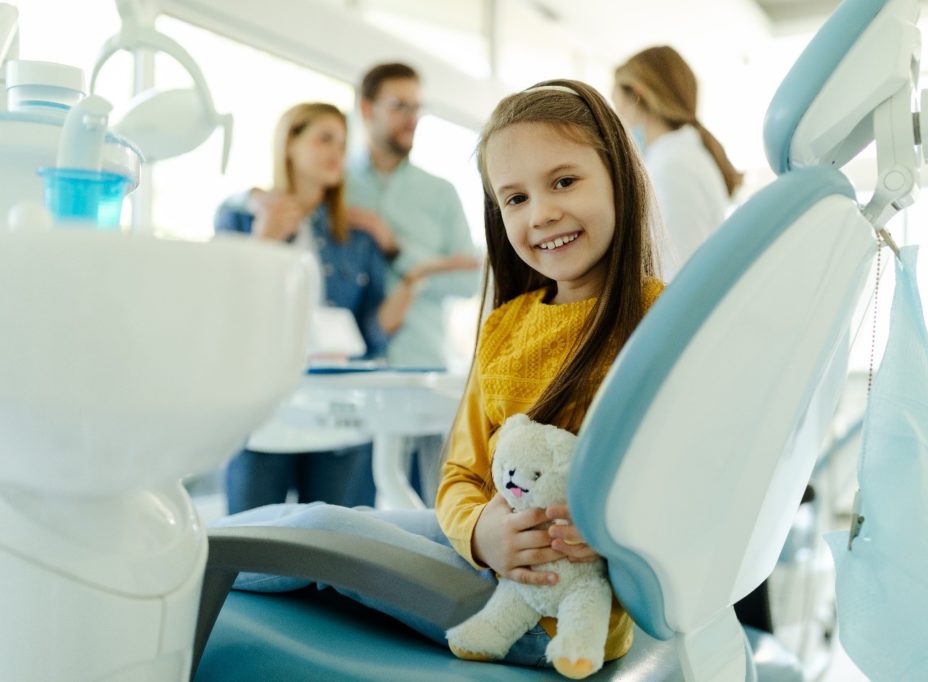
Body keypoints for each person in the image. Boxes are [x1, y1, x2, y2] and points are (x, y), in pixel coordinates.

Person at [214, 78, 664, 669]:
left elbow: (679, 480)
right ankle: (190, 554)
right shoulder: (505, 326)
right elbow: (460, 474)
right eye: (515, 199)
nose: (543, 213)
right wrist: (481, 533)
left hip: (539, 615)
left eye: (564, 181)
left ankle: (184, 563)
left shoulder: (659, 319)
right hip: (487, 556)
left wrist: (611, 533)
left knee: (322, 528)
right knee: (348, 520)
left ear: (619, 177)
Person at [215, 102, 448, 513]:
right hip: (264, 411)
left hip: (342, 413)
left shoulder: (355, 237)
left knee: (335, 554)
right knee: (248, 553)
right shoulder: (241, 215)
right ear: (290, 143)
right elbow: (223, 310)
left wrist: (408, 287)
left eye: (342, 143)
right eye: (324, 139)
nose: (336, 153)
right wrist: (264, 239)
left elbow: (368, 334)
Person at [346, 62, 481, 369]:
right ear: (367, 109)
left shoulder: (441, 192)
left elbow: (469, 281)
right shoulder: (335, 187)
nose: (412, 120)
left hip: (421, 365)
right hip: (345, 367)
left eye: (417, 108)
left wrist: (397, 251)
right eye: (399, 107)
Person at [612, 45, 743, 279]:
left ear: (638, 95)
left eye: (618, 105)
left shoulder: (673, 166)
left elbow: (679, 271)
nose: (620, 121)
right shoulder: (676, 156)